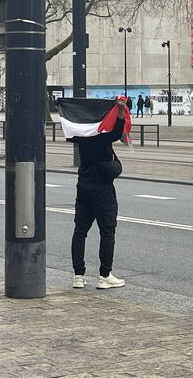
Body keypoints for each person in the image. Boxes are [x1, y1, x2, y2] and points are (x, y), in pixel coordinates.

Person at [71, 98, 127, 290]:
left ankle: (78, 275)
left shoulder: (81, 136)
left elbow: (69, 132)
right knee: (107, 231)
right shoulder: (101, 136)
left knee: (80, 231)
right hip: (102, 189)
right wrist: (120, 111)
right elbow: (118, 132)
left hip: (83, 186)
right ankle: (105, 275)